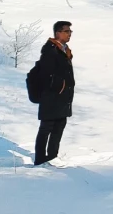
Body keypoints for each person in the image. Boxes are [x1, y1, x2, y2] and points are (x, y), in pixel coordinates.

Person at [34, 20, 75, 166]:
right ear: (58, 33)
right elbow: (47, 74)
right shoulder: (50, 50)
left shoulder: (64, 49)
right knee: (46, 128)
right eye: (67, 31)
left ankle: (52, 157)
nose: (70, 34)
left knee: (59, 127)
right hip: (51, 98)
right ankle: (39, 160)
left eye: (70, 31)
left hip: (62, 98)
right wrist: (59, 86)